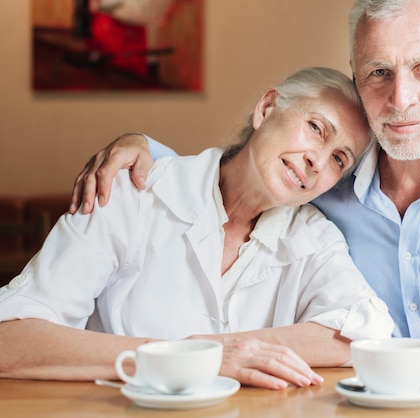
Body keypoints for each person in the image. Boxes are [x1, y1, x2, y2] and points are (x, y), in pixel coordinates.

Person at [68, 0, 420, 396]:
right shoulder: (328, 178)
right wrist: (145, 148)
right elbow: (243, 171)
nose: (401, 97)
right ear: (358, 82)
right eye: (378, 73)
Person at [0, 67, 394, 390]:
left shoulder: (314, 237)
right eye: (315, 128)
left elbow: (365, 331)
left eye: (339, 160)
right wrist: (187, 358)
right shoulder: (130, 192)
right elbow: (10, 339)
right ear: (267, 108)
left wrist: (217, 348)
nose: (317, 160)